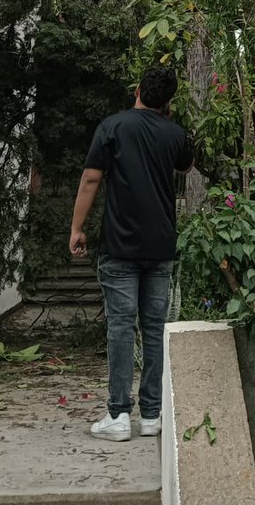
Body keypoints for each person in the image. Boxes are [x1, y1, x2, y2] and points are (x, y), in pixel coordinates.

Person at [69, 65, 194, 442]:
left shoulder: (113, 126)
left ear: (137, 89)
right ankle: (151, 416)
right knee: (154, 329)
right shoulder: (175, 134)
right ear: (168, 101)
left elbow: (92, 178)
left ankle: (119, 415)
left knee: (121, 328)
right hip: (160, 246)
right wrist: (168, 121)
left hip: (120, 246)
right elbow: (186, 163)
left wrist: (77, 228)